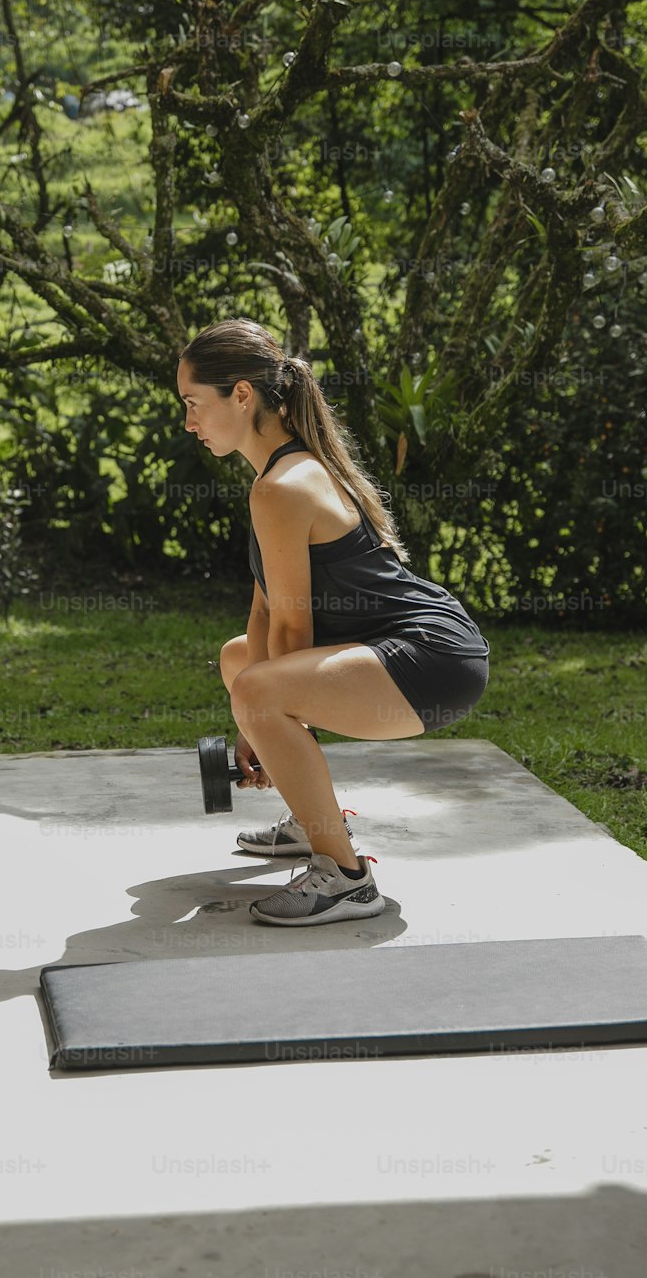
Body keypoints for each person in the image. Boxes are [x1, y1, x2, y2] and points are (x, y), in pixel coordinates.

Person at [176, 319, 490, 926]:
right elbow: (267, 604)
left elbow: (294, 634)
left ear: (241, 395)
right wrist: (257, 723)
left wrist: (258, 719)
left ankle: (346, 879)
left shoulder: (284, 486)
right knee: (240, 658)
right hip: (403, 651)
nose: (189, 422)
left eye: (194, 403)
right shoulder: (278, 474)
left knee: (258, 687)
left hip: (434, 661)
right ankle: (308, 818)